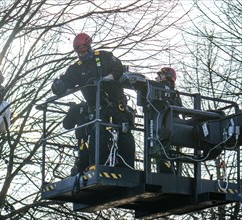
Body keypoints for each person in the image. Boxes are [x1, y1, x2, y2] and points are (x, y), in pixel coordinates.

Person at [52, 33, 135, 169]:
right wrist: (58, 86)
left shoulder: (104, 57)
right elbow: (67, 81)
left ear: (89, 46)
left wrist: (104, 80)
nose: (81, 55)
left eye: (83, 51)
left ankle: (127, 167)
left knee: (124, 133)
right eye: (79, 52)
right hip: (98, 108)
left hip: (116, 104)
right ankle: (98, 164)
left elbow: (118, 69)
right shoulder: (77, 68)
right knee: (98, 131)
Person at [154, 67, 182, 174]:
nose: (157, 77)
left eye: (160, 75)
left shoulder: (163, 88)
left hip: (165, 125)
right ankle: (170, 170)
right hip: (169, 125)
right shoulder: (174, 92)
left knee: (161, 152)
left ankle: (166, 171)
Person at [62, 102, 90, 175]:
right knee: (84, 154)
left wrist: (72, 109)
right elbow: (67, 124)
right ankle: (82, 169)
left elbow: (67, 124)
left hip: (84, 138)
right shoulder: (81, 107)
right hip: (84, 139)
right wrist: (72, 110)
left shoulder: (80, 107)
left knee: (84, 155)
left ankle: (82, 169)